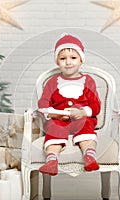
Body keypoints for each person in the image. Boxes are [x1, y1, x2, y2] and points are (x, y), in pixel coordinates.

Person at [38, 34, 101, 176]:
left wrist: (83, 112)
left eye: (73, 58)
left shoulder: (88, 81)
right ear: (57, 62)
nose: (68, 62)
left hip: (81, 119)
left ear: (81, 60)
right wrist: (52, 113)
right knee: (54, 128)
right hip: (60, 120)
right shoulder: (53, 82)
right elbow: (43, 103)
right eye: (63, 58)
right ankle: (52, 160)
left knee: (87, 128)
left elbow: (95, 104)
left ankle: (89, 156)